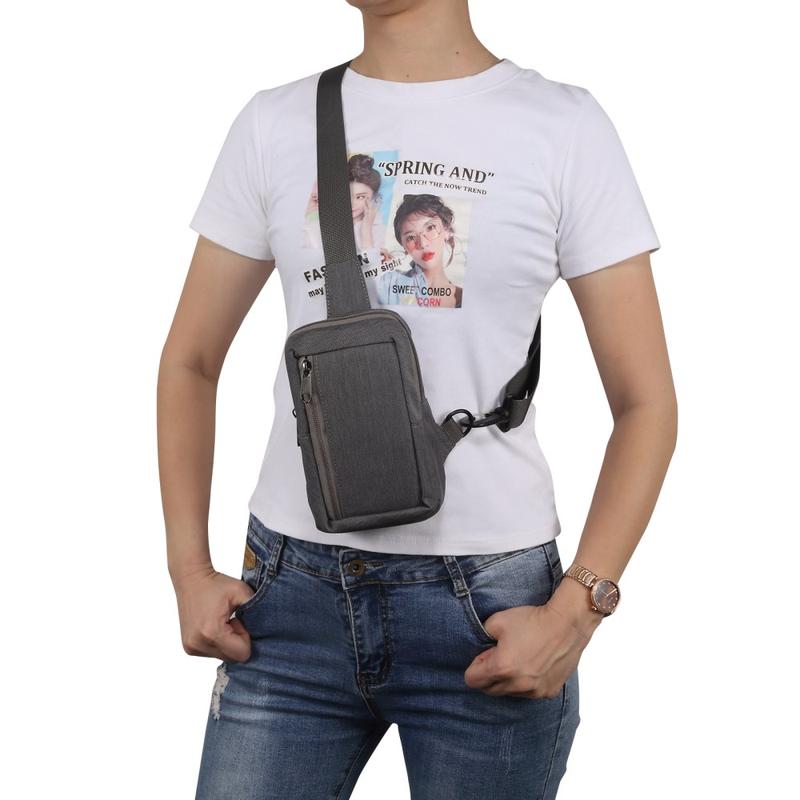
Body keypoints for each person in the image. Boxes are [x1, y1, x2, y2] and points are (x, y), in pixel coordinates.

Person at [156, 1, 677, 797]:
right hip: (288, 600)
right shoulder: (273, 122)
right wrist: (187, 569)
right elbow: (190, 361)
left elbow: (646, 403)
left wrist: (577, 611)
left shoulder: (563, 127)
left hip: (491, 605)